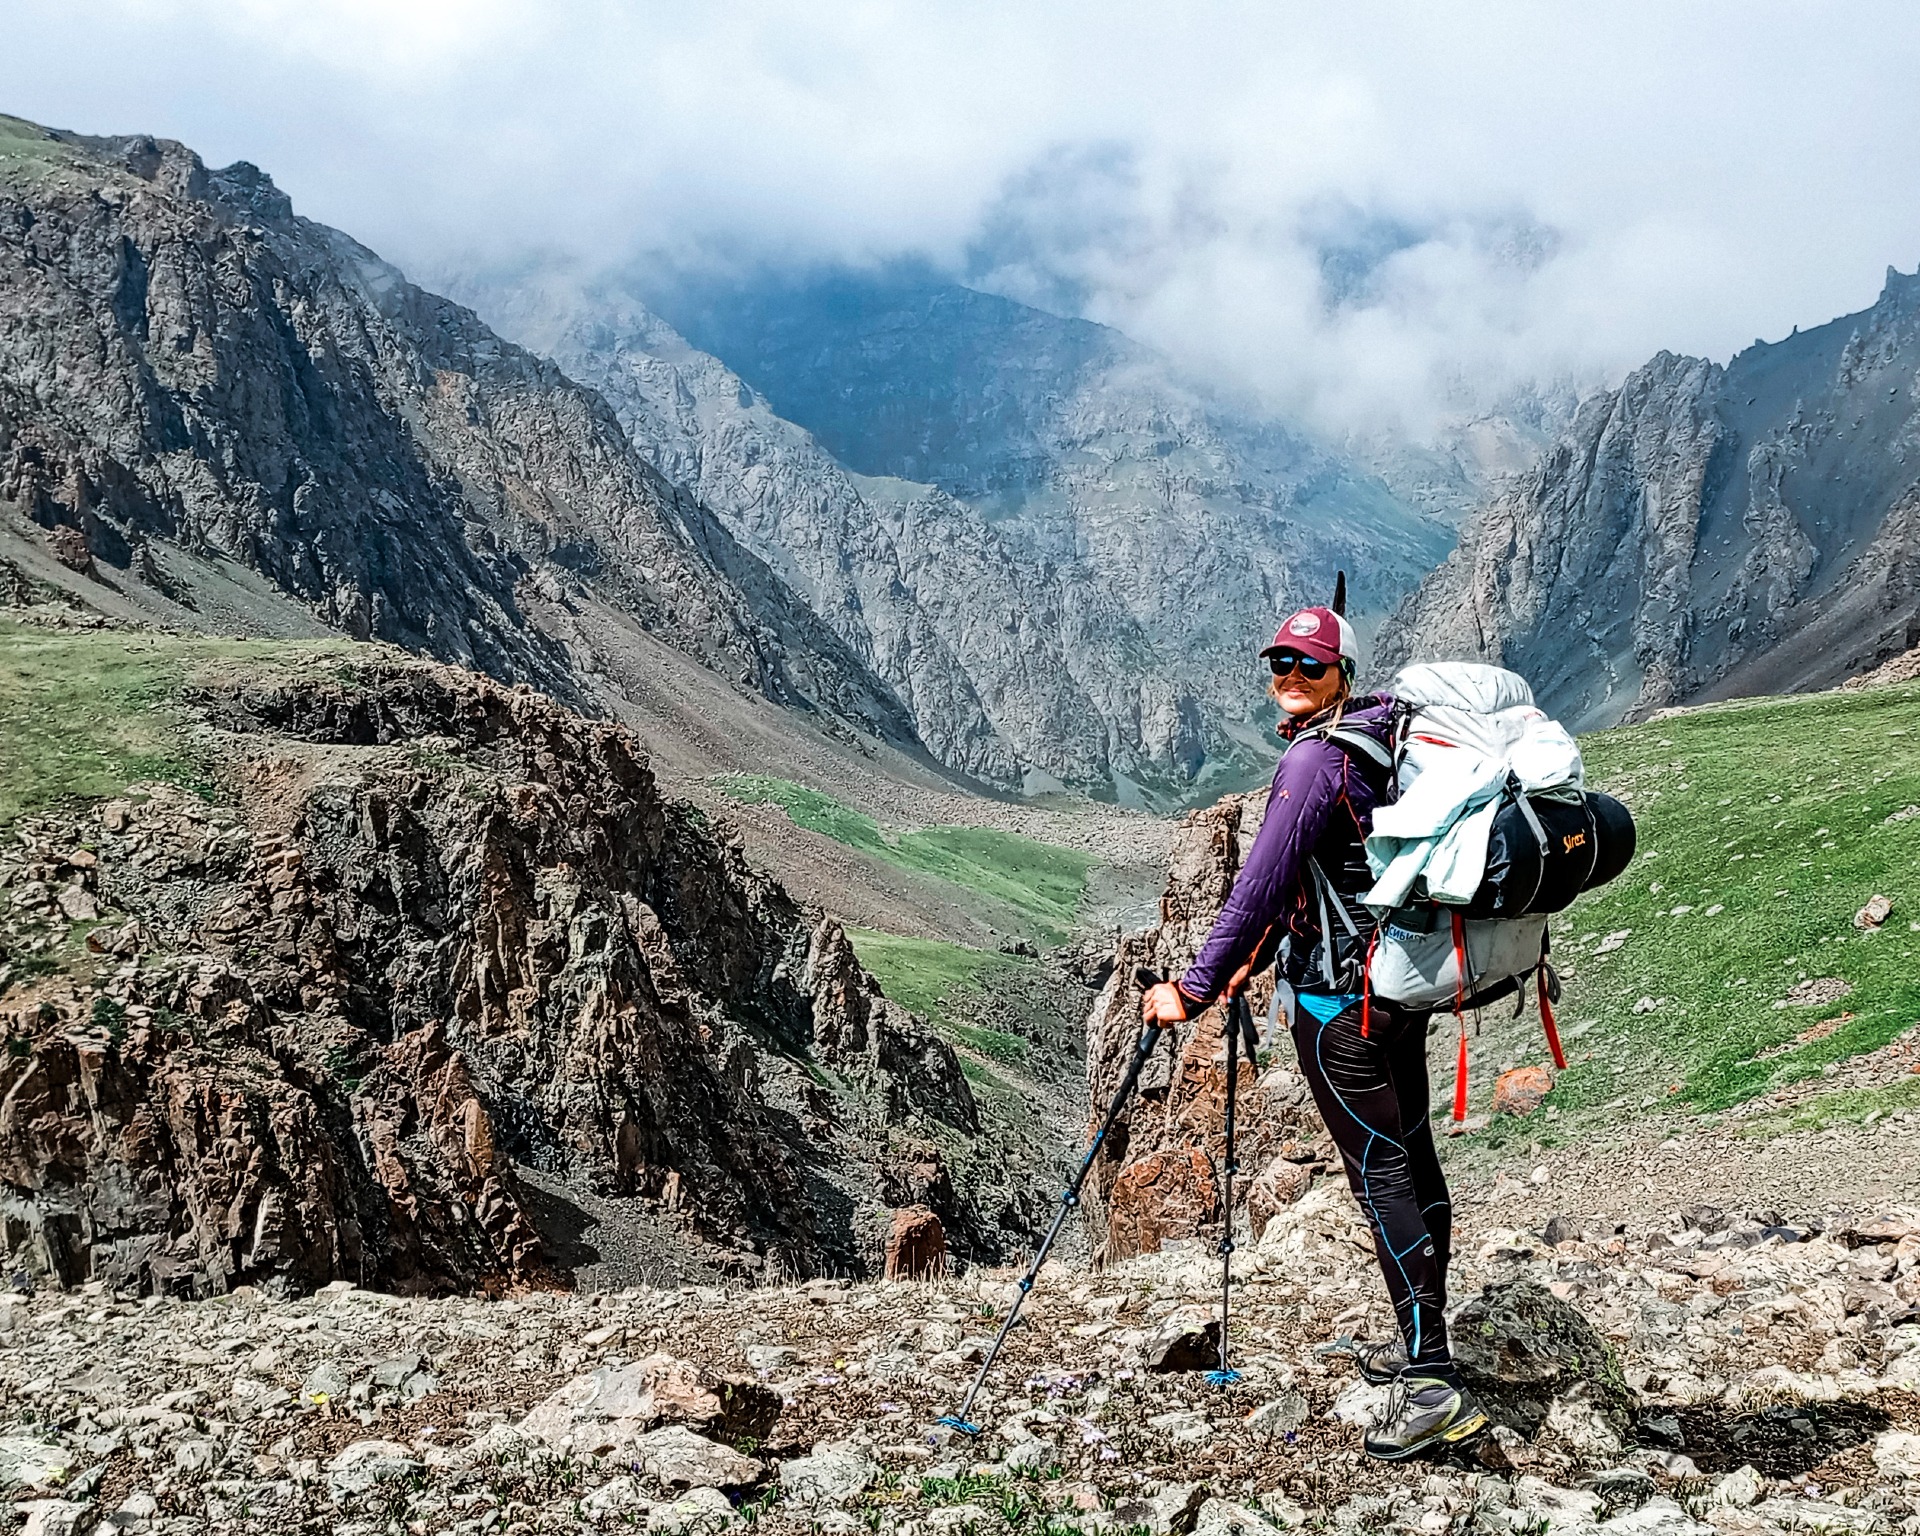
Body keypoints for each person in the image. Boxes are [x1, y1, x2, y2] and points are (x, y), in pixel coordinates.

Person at [1138, 603, 1489, 1461]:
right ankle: (1424, 1350)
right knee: (1410, 1159)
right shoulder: (1380, 740)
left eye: (1309, 666)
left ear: (1342, 674)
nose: (1288, 678)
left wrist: (1192, 988)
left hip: (1341, 1010)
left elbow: (1257, 887)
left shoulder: (1314, 762)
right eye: (1280, 663)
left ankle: (1431, 1375)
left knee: (1381, 1178)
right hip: (1394, 988)